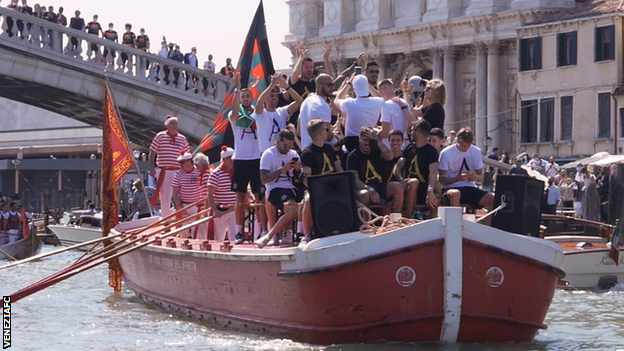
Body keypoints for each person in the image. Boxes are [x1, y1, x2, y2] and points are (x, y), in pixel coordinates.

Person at [229, 71, 267, 244]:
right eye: (243, 96)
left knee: (259, 198)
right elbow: (235, 110)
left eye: (247, 96)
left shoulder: (258, 114)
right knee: (240, 198)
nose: (245, 98)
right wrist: (237, 89)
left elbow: (261, 103)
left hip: (256, 159)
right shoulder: (234, 116)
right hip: (241, 159)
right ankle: (238, 233)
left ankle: (260, 231)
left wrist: (257, 86)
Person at [298, 119, 345, 244]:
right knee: (308, 200)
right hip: (317, 188)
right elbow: (306, 178)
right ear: (320, 132)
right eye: (326, 129)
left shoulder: (329, 148)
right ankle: (306, 235)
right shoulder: (308, 153)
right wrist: (317, 190)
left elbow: (338, 168)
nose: (327, 132)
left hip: (334, 185)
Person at [255, 130, 304, 248]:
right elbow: (264, 179)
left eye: (290, 146)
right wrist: (282, 170)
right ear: (278, 141)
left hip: (291, 186)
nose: (287, 148)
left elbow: (298, 177)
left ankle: (301, 234)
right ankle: (270, 235)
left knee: (307, 201)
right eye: (285, 145)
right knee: (293, 209)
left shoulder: (293, 154)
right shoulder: (268, 154)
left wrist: (298, 170)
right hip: (275, 188)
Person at [347, 126, 404, 213]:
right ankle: (367, 224)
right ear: (359, 139)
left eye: (370, 140)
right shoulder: (353, 156)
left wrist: (377, 139)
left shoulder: (376, 150)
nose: (367, 143)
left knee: (398, 186)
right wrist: (371, 190)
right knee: (364, 194)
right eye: (365, 140)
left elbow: (390, 156)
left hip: (379, 186)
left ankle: (396, 219)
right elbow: (356, 181)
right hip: (364, 187)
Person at [438, 127, 494, 212]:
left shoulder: (476, 151)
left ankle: (489, 225)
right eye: (463, 145)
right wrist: (458, 178)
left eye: (468, 146)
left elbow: (481, 177)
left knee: (493, 198)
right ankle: (455, 223)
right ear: (457, 141)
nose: (465, 149)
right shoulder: (446, 153)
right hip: (451, 188)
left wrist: (474, 176)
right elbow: (442, 179)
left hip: (470, 188)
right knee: (456, 194)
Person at [395, 119, 440, 218]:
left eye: (412, 131)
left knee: (437, 186)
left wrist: (430, 190)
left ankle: (433, 219)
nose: (410, 133)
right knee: (414, 182)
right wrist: (401, 179)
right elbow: (397, 167)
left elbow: (433, 172)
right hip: (408, 184)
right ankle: (409, 218)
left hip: (423, 187)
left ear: (418, 132)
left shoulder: (431, 151)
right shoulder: (409, 148)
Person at [149, 115, 191, 219]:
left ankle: (181, 219)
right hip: (165, 171)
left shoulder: (182, 138)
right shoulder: (160, 136)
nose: (174, 125)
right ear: (167, 125)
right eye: (172, 123)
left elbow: (188, 155)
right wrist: (151, 168)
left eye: (175, 123)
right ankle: (166, 221)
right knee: (165, 197)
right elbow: (152, 152)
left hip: (179, 171)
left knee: (182, 195)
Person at [335, 74, 384, 153]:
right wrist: (366, 85)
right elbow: (380, 97)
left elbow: (337, 100)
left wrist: (348, 84)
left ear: (354, 89)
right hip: (370, 139)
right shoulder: (377, 102)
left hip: (352, 142)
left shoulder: (349, 103)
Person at [254, 73, 303, 153]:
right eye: (272, 96)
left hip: (282, 153)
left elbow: (299, 101)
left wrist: (287, 87)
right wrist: (271, 85)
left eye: (276, 96)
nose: (275, 98)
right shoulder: (261, 113)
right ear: (266, 98)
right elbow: (259, 103)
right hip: (266, 154)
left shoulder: (282, 111)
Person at [206, 146, 237, 242]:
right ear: (223, 159)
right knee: (219, 238)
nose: (232, 160)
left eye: (233, 158)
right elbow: (210, 194)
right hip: (221, 210)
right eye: (229, 158)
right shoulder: (216, 173)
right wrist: (215, 210)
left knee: (234, 237)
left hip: (234, 209)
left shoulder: (236, 172)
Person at [297, 73, 335, 150]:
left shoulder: (306, 101)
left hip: (306, 150)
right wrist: (335, 136)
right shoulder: (323, 106)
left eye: (333, 85)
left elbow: (299, 132)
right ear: (318, 85)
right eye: (329, 85)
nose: (333, 88)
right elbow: (328, 136)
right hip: (319, 152)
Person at [172, 152, 202, 237]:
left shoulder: (198, 171)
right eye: (180, 162)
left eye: (182, 162)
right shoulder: (178, 174)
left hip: (196, 204)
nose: (180, 165)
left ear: (189, 162)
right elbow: (175, 193)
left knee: (196, 230)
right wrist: (180, 206)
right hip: (184, 205)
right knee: (183, 230)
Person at [377, 79, 411, 149]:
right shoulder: (406, 104)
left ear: (383, 89)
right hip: (402, 146)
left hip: (389, 147)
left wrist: (374, 133)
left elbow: (385, 133)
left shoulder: (386, 105)